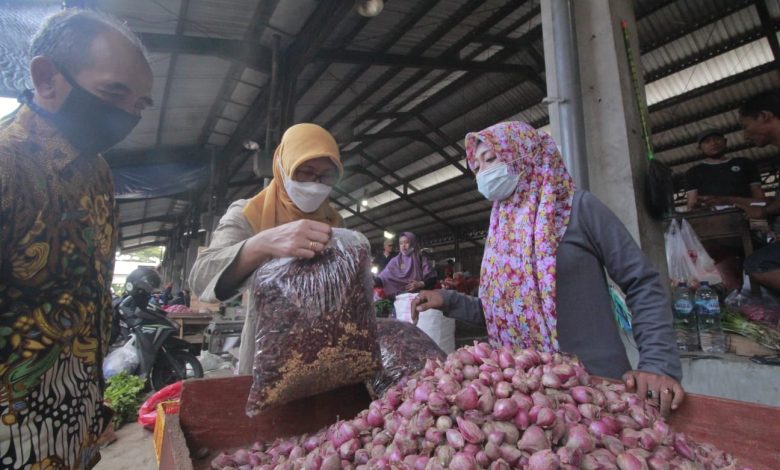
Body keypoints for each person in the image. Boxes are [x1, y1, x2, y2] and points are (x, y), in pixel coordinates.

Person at [412, 122, 684, 416]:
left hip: (596, 388)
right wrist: (448, 300)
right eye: (476, 167)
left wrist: (657, 363)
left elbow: (641, 282)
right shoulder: (501, 231)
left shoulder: (579, 208)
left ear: (524, 152)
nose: (483, 174)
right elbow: (504, 312)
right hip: (526, 398)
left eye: (490, 159)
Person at [0, 9, 153, 468]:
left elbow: (92, 299)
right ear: (46, 77)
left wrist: (94, 398)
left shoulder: (97, 172)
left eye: (140, 105)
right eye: (113, 93)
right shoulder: (9, 168)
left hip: (77, 428)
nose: (126, 114)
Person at [189, 123, 343, 374]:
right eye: (305, 170)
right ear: (283, 167)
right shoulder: (249, 213)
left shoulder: (335, 224)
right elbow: (200, 278)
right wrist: (262, 243)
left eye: (326, 175)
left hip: (325, 351)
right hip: (267, 354)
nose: (315, 183)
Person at [685, 129, 764, 211]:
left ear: (725, 142)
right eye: (707, 141)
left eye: (717, 139)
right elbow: (692, 203)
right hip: (714, 220)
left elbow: (758, 193)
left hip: (747, 214)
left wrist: (761, 212)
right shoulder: (693, 172)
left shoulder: (745, 163)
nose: (713, 143)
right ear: (699, 148)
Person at [376, 232, 437, 297]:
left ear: (413, 243)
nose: (403, 245)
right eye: (401, 243)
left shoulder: (421, 258)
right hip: (400, 298)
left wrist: (420, 284)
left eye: (406, 242)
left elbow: (432, 278)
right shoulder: (395, 261)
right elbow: (383, 277)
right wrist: (371, 282)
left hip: (420, 297)